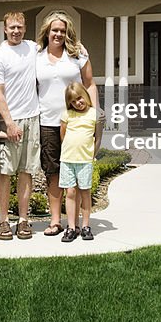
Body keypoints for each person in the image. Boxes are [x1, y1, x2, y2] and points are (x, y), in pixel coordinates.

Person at [34, 10, 100, 237]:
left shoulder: (77, 55)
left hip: (76, 124)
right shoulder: (36, 55)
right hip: (48, 122)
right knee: (53, 172)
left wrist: (95, 114)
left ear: (67, 33)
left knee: (79, 173)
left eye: (62, 31)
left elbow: (90, 84)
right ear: (47, 31)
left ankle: (81, 223)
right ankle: (56, 221)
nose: (58, 34)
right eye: (54, 30)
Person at [0, 11, 41, 240]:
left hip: (33, 118)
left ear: (25, 28)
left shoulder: (32, 48)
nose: (16, 31)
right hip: (10, 120)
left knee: (26, 171)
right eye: (12, 28)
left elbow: (58, 47)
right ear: (5, 29)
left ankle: (24, 220)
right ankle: (3, 221)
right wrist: (8, 123)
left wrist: (80, 49)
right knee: (6, 171)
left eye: (19, 27)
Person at [59, 82, 101, 242]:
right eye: (73, 101)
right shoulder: (67, 115)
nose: (77, 103)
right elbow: (62, 135)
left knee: (85, 193)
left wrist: (92, 155)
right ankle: (71, 227)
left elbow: (97, 138)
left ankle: (85, 226)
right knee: (70, 193)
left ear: (85, 95)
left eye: (79, 98)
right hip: (68, 159)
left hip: (85, 161)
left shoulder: (93, 114)